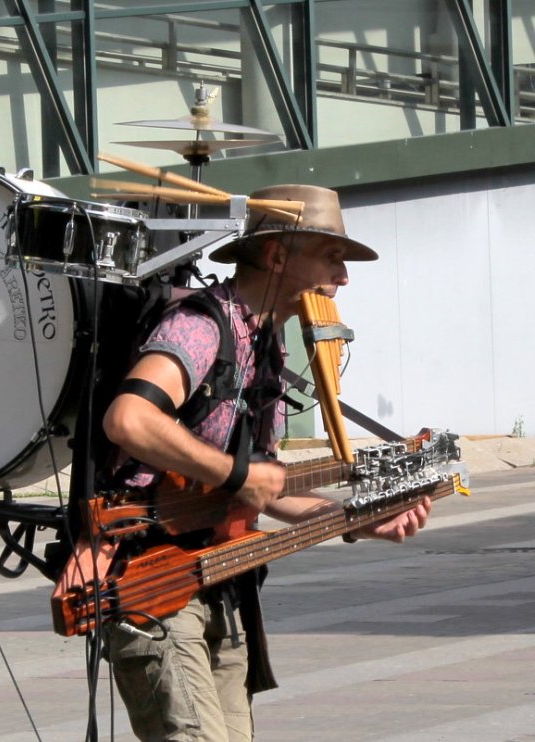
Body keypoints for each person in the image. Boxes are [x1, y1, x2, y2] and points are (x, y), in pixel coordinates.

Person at [101, 183, 433, 741]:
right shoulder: (201, 327)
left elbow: (263, 488)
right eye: (331, 257)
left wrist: (358, 520)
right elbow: (129, 419)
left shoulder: (269, 347)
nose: (344, 278)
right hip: (153, 582)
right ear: (278, 254)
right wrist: (235, 473)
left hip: (225, 581)